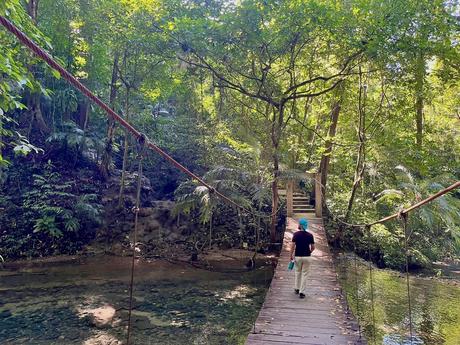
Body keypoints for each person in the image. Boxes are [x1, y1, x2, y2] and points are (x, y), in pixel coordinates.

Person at [289, 218, 315, 299]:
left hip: (298, 256)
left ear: (300, 225)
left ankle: (297, 288)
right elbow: (313, 247)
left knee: (297, 272)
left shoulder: (296, 234)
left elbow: (292, 246)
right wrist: (309, 252)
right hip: (307, 257)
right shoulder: (310, 235)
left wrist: (291, 255)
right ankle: (302, 292)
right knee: (305, 274)